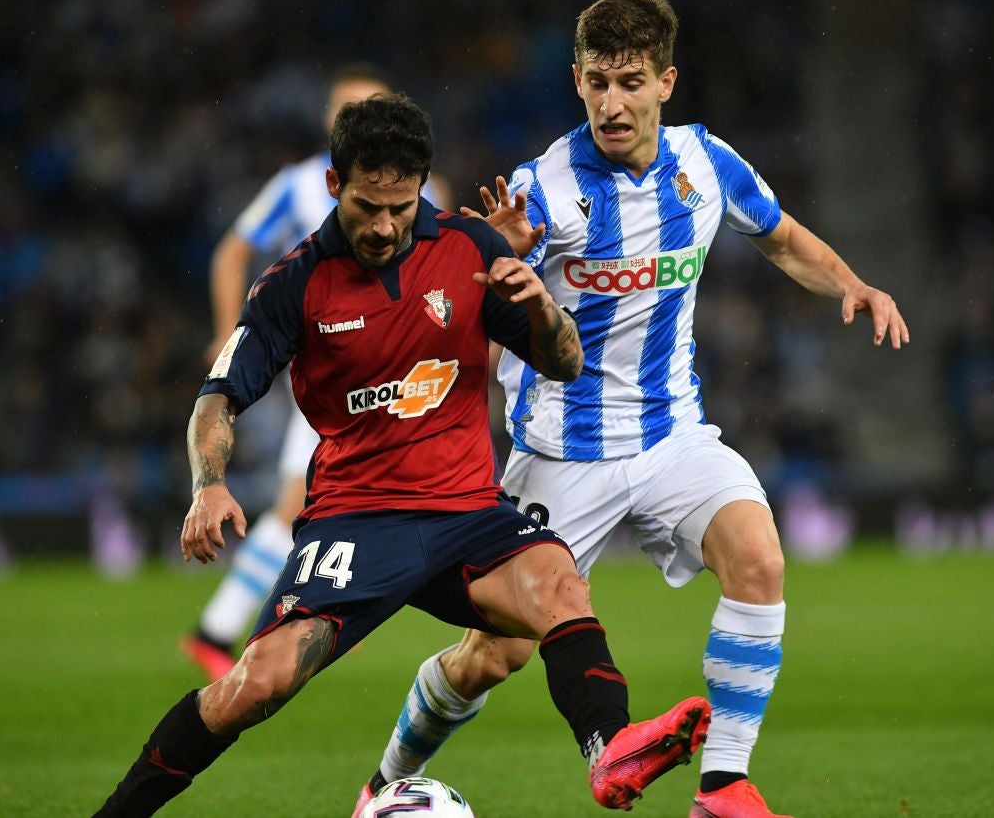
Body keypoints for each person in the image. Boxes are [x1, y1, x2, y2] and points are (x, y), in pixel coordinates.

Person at [352, 0, 908, 818]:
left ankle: (722, 787)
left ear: (666, 82)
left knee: (759, 560)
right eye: (598, 83)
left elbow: (782, 236)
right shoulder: (546, 185)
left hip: (671, 436)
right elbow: (463, 276)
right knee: (489, 658)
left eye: (632, 81)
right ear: (576, 82)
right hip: (560, 454)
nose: (614, 102)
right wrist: (493, 250)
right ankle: (381, 785)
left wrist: (854, 284)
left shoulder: (706, 165)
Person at [94, 93, 711, 817]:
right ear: (334, 185)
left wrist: (541, 305)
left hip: (468, 513)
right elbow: (216, 400)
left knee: (561, 585)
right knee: (257, 685)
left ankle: (610, 750)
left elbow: (566, 363)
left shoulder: (471, 249)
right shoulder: (292, 285)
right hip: (357, 521)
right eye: (366, 206)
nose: (385, 225)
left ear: (424, 185)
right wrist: (211, 484)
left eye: (402, 205)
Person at [182, 65, 449, 680]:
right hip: (329, 360)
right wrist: (229, 332)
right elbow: (233, 249)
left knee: (321, 496)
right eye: (340, 108)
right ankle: (243, 627)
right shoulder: (301, 184)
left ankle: (280, 618)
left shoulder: (414, 189)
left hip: (399, 364)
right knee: (308, 497)